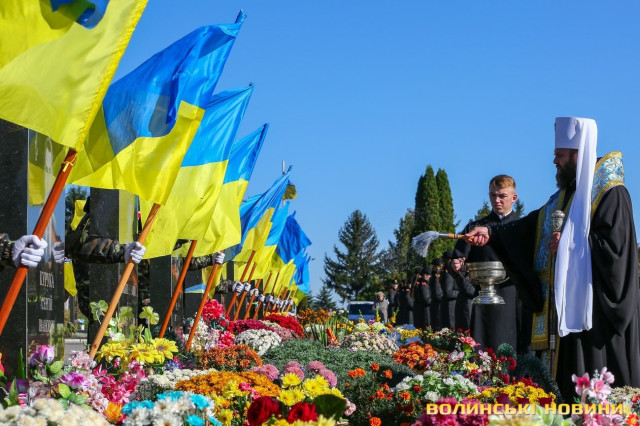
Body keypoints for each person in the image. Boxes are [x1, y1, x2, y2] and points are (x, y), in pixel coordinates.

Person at [466, 117, 640, 401]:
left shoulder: (610, 192)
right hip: (564, 318)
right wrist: (492, 232)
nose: (554, 161)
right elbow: (531, 226)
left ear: (577, 154)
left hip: (596, 318)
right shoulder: (564, 195)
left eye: (560, 155)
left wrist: (571, 244)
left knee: (597, 397)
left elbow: (617, 250)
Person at [452, 175, 530, 355]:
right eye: (493, 195)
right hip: (483, 302)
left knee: (514, 352)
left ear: (514, 197)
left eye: (502, 196)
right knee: (483, 351)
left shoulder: (523, 227)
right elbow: (458, 259)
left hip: (514, 298)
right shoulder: (474, 228)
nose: (497, 200)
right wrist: (456, 266)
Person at [439, 250, 458, 329]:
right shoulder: (449, 274)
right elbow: (449, 292)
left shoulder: (446, 272)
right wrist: (460, 293)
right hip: (450, 307)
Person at [428, 259, 444, 331]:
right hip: (438, 306)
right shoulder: (436, 278)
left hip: (434, 305)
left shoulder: (432, 277)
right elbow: (438, 294)